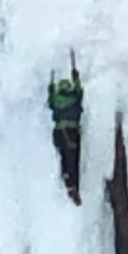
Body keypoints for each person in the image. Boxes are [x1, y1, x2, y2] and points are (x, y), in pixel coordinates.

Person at [47, 66, 85, 203]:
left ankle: (69, 183)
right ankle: (73, 184)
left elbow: (50, 101)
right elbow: (80, 92)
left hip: (58, 133)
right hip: (71, 132)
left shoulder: (56, 100)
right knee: (73, 158)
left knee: (64, 157)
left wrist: (50, 87)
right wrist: (76, 77)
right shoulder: (74, 99)